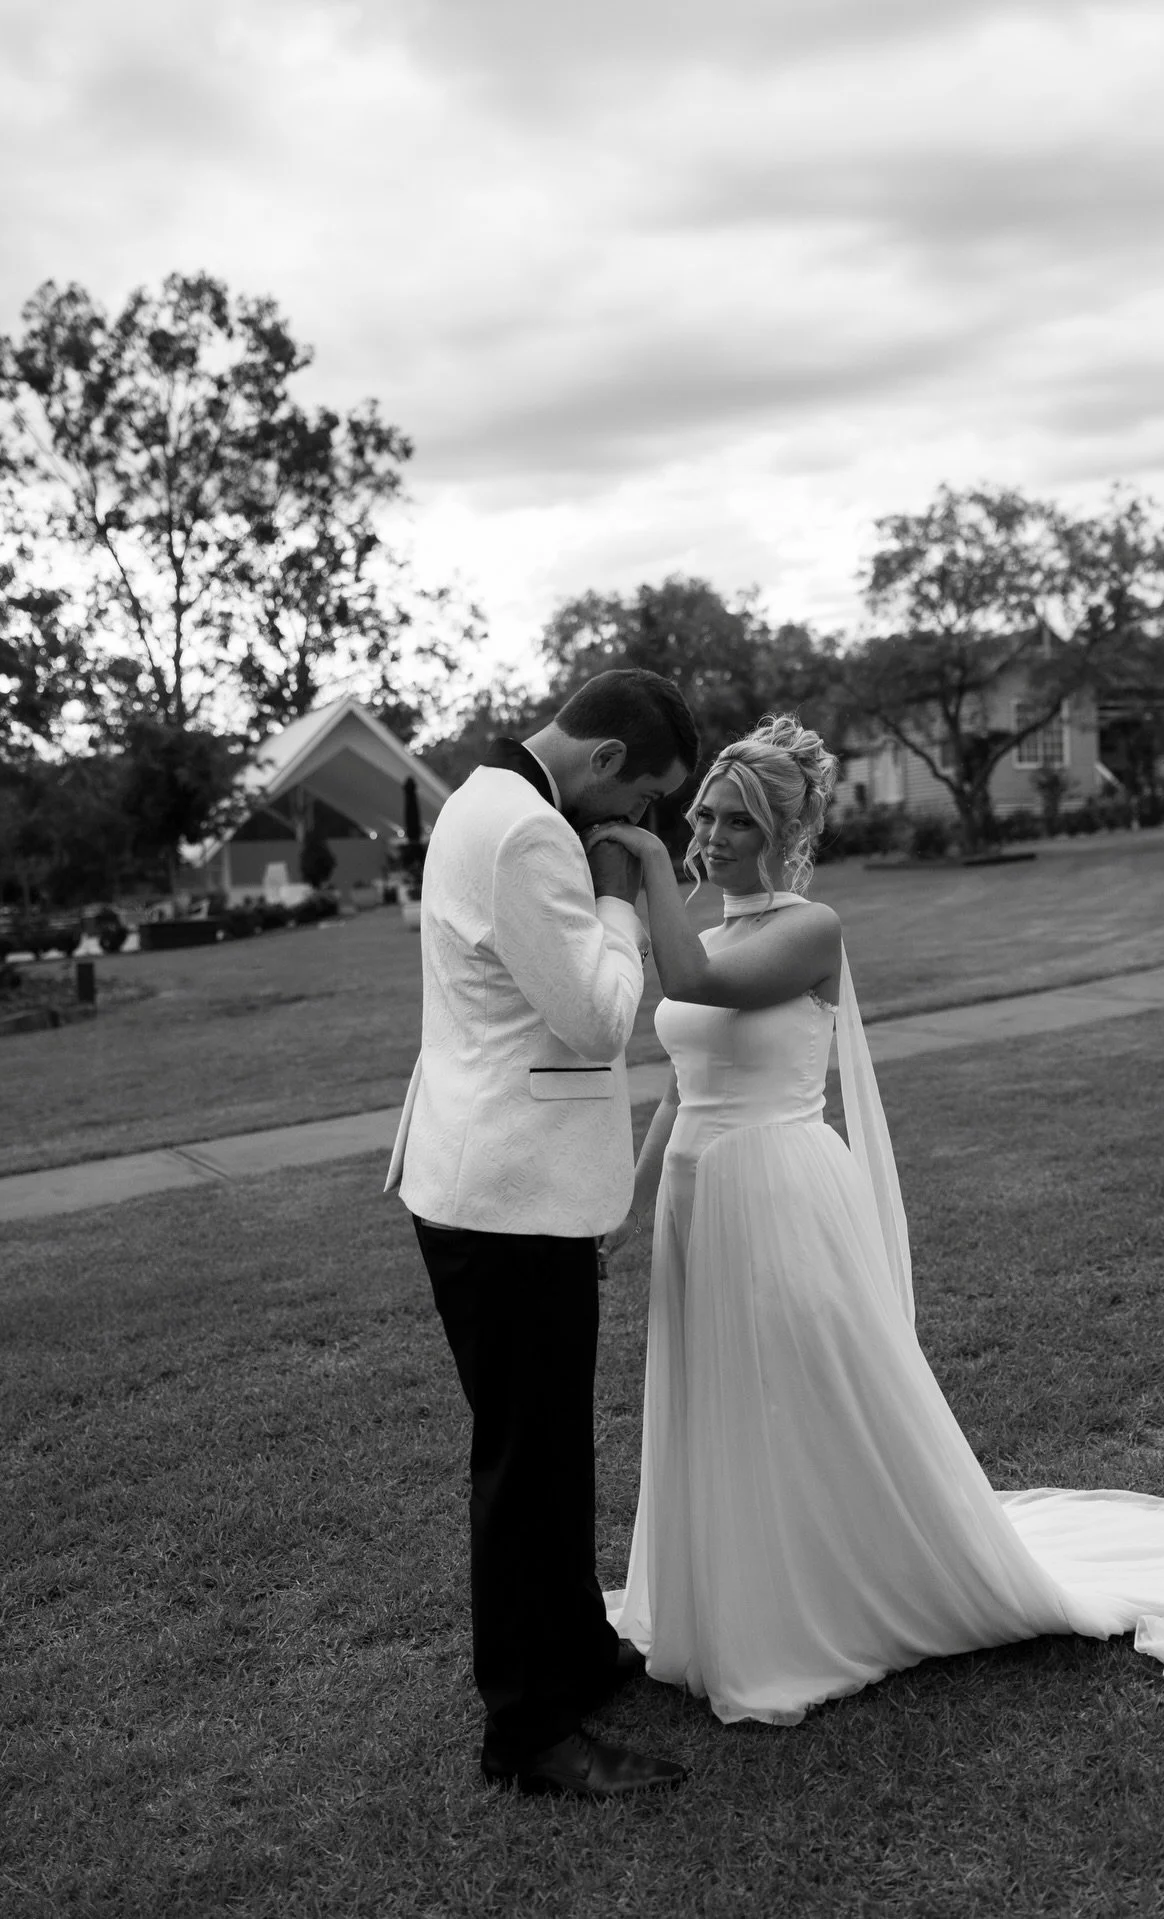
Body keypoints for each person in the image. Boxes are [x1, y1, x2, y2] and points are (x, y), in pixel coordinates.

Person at [589, 714, 1164, 1734]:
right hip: (699, 1190)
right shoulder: (713, 931)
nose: (712, 833)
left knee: (800, 1384)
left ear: (783, 832)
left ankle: (823, 1597)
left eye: (737, 819)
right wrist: (625, 1205)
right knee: (718, 1389)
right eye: (704, 815)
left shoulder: (806, 929)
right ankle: (732, 1590)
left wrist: (637, 856)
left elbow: (691, 986)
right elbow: (681, 1089)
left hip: (776, 1187)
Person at [387, 669, 699, 1798]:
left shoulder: (484, 798)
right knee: (528, 1463)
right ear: (607, 761)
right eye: (648, 800)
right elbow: (599, 1015)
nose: (641, 823)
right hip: (504, 1199)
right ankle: (529, 1731)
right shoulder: (527, 830)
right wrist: (618, 888)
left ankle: (575, 1650)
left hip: (500, 1187)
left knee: (552, 1445)